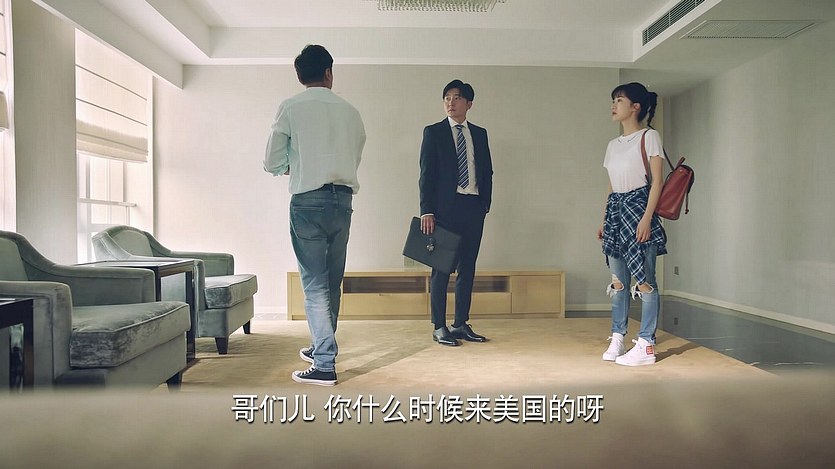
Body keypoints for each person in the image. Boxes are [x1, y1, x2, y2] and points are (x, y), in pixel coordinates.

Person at [264, 44, 366, 385]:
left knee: (314, 284)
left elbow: (271, 161)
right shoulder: (351, 112)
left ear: (300, 76)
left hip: (308, 202)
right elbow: (355, 155)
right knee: (332, 281)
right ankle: (322, 345)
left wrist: (293, 166)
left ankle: (324, 362)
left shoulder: (291, 107)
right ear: (328, 73)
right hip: (343, 201)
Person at [597, 82, 667, 366]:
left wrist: (647, 218)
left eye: (619, 100)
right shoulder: (612, 145)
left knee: (645, 281)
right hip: (616, 212)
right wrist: (604, 219)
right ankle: (618, 336)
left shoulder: (649, 136)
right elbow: (612, 185)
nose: (614, 105)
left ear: (635, 107)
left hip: (639, 207)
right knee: (618, 282)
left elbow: (657, 182)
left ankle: (646, 343)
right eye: (613, 100)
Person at [419, 79, 493, 346]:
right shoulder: (434, 132)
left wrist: (485, 204)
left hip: (473, 207)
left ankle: (460, 323)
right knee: (441, 269)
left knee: (468, 267)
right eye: (447, 98)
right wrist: (427, 210)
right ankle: (439, 326)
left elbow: (486, 170)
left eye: (457, 97)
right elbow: (426, 174)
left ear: (469, 104)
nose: (451, 102)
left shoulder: (480, 134)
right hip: (444, 211)